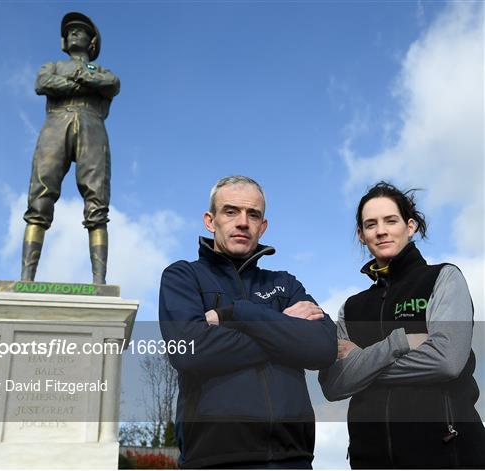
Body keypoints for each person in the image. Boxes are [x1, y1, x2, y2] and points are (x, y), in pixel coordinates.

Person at [159, 176, 337, 469]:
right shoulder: (183, 277)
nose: (243, 222)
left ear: (262, 226)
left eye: (253, 214)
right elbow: (188, 350)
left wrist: (238, 314)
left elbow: (323, 347)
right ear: (210, 220)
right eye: (230, 212)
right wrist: (282, 329)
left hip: (294, 459)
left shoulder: (285, 284)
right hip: (214, 459)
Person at [319, 181, 485, 469]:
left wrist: (362, 365)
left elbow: (446, 361)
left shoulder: (443, 278)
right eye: (370, 224)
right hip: (371, 459)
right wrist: (399, 344)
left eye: (390, 220)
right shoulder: (351, 308)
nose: (381, 230)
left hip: (448, 453)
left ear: (410, 226)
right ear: (361, 235)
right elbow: (334, 384)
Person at [21, 12, 120, 284]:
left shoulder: (102, 71)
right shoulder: (51, 65)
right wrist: (82, 82)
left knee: (97, 198)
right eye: (71, 31)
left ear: (92, 42)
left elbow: (111, 84)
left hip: (92, 124)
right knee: (41, 190)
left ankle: (99, 281)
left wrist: (79, 81)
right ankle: (26, 278)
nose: (74, 33)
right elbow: (43, 84)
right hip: (56, 121)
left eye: (81, 31)